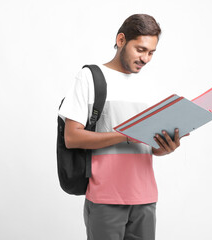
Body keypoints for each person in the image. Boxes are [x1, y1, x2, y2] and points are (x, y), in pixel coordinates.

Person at [59, 14, 187, 240]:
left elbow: (147, 144)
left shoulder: (148, 85)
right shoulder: (89, 77)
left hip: (145, 198)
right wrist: (124, 135)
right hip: (105, 198)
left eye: (151, 53)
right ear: (121, 40)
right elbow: (72, 137)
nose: (146, 58)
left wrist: (163, 148)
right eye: (140, 49)